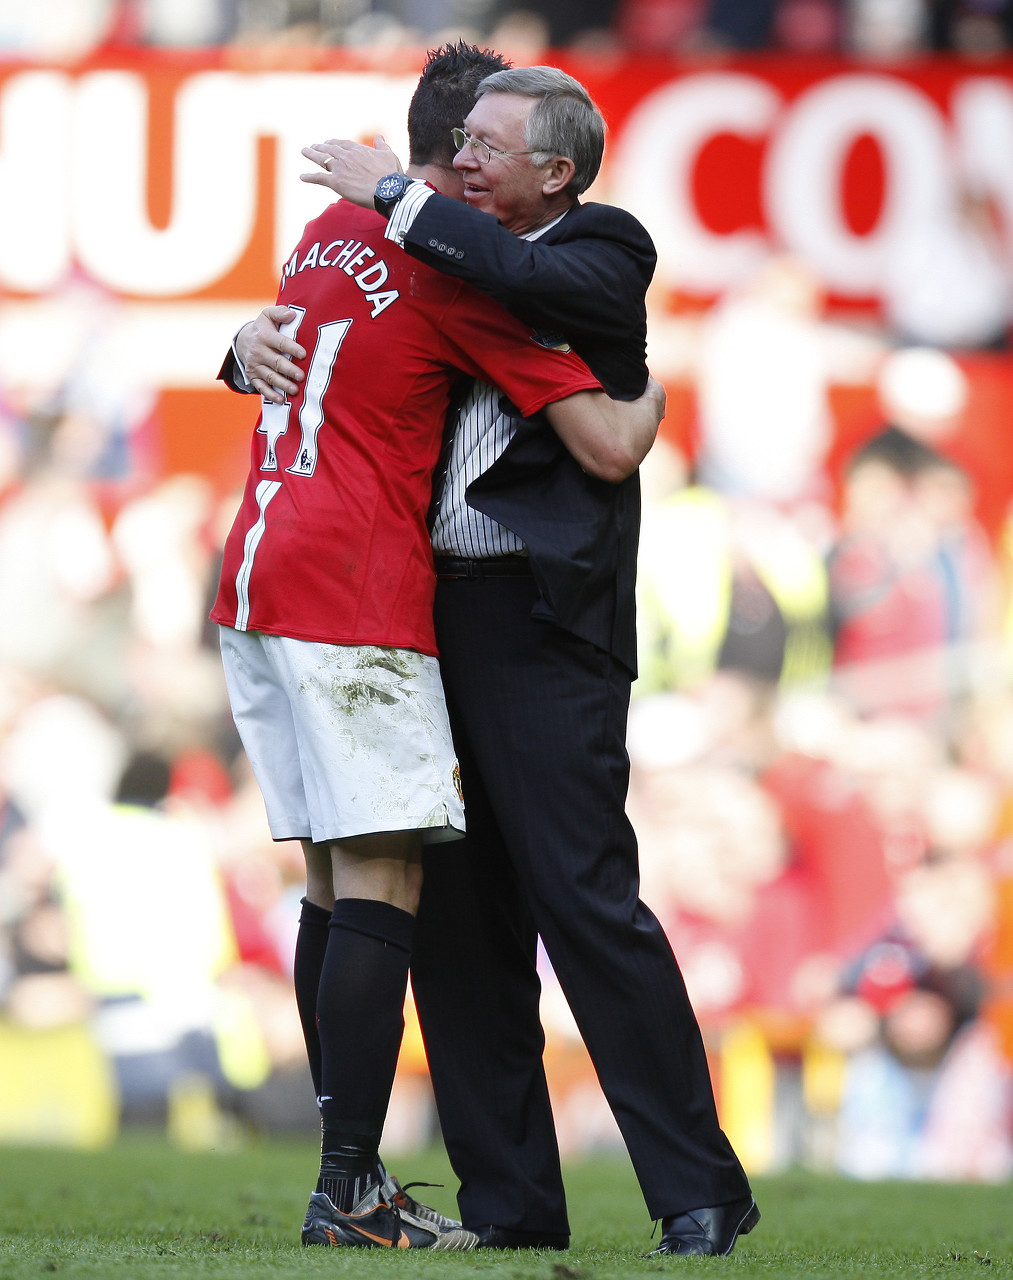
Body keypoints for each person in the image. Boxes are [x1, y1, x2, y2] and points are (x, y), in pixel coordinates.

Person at [234, 64, 757, 1257]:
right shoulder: (429, 251)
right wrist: (245, 339)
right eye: (458, 141)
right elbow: (336, 347)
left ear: (557, 172)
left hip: (539, 622)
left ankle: (696, 1189)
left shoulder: (602, 246)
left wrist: (395, 194)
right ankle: (508, 1202)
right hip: (424, 611)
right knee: (458, 923)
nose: (462, 159)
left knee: (582, 897)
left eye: (489, 145)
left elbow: (525, 282)